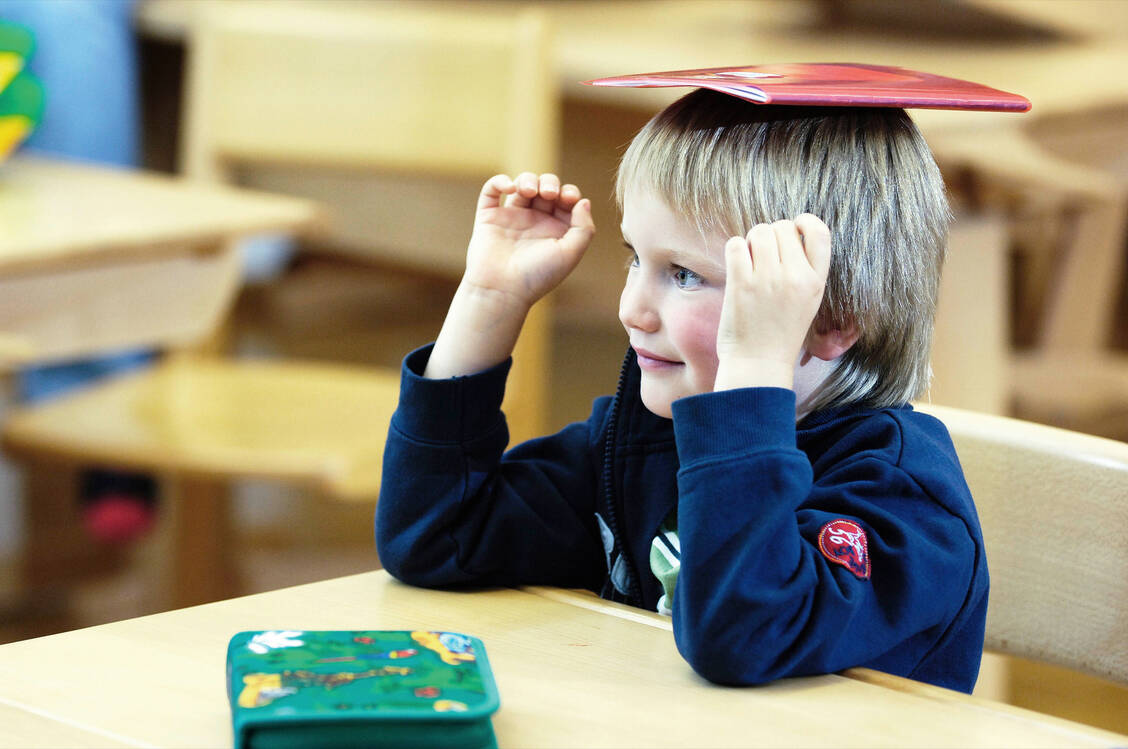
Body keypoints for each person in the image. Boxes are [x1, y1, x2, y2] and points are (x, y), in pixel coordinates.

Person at [375, 89, 988, 693]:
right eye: (634, 259)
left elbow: (742, 635)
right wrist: (489, 300)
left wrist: (753, 367)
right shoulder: (641, 443)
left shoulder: (902, 503)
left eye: (685, 274)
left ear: (830, 320)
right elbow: (437, 536)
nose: (632, 310)